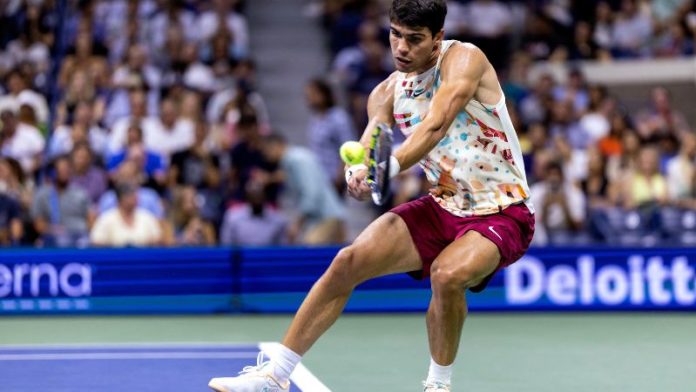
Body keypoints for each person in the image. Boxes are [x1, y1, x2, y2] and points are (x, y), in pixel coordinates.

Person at [208, 1, 534, 391]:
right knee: (347, 261)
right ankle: (273, 376)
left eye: (415, 40)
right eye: (396, 34)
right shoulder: (385, 93)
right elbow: (369, 143)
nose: (401, 47)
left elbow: (436, 125)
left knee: (445, 275)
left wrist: (390, 168)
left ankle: (437, 385)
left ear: (437, 40)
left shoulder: (465, 60)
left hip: (502, 209)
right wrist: (357, 172)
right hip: (443, 204)